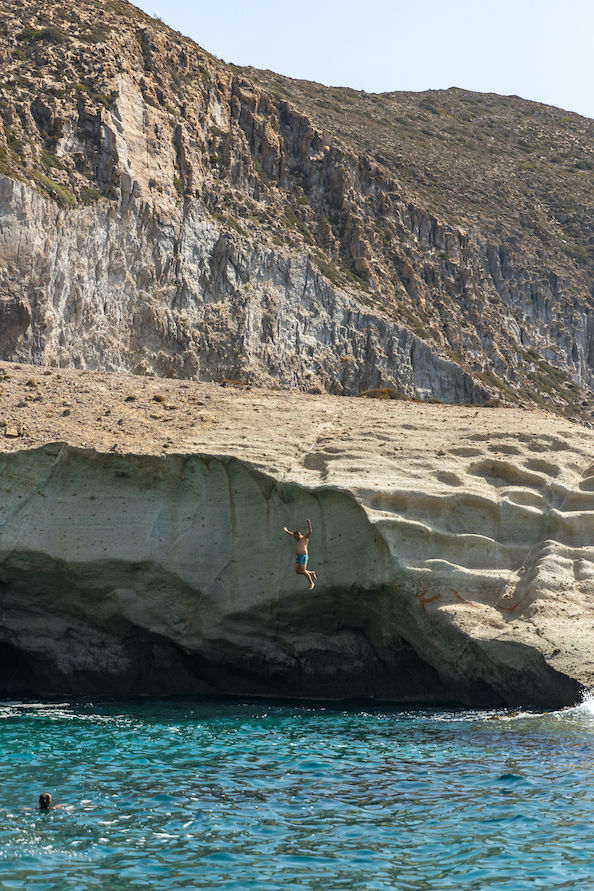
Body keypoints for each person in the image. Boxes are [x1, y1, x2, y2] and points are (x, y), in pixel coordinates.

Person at [283, 518, 317, 590]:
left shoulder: (304, 538)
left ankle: (311, 583)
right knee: (298, 571)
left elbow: (310, 531)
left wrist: (309, 524)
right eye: (294, 537)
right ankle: (311, 573)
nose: (295, 538)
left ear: (299, 535)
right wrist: (286, 531)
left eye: (296, 536)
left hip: (303, 556)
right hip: (298, 556)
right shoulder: (296, 537)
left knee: (303, 570)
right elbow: (291, 534)